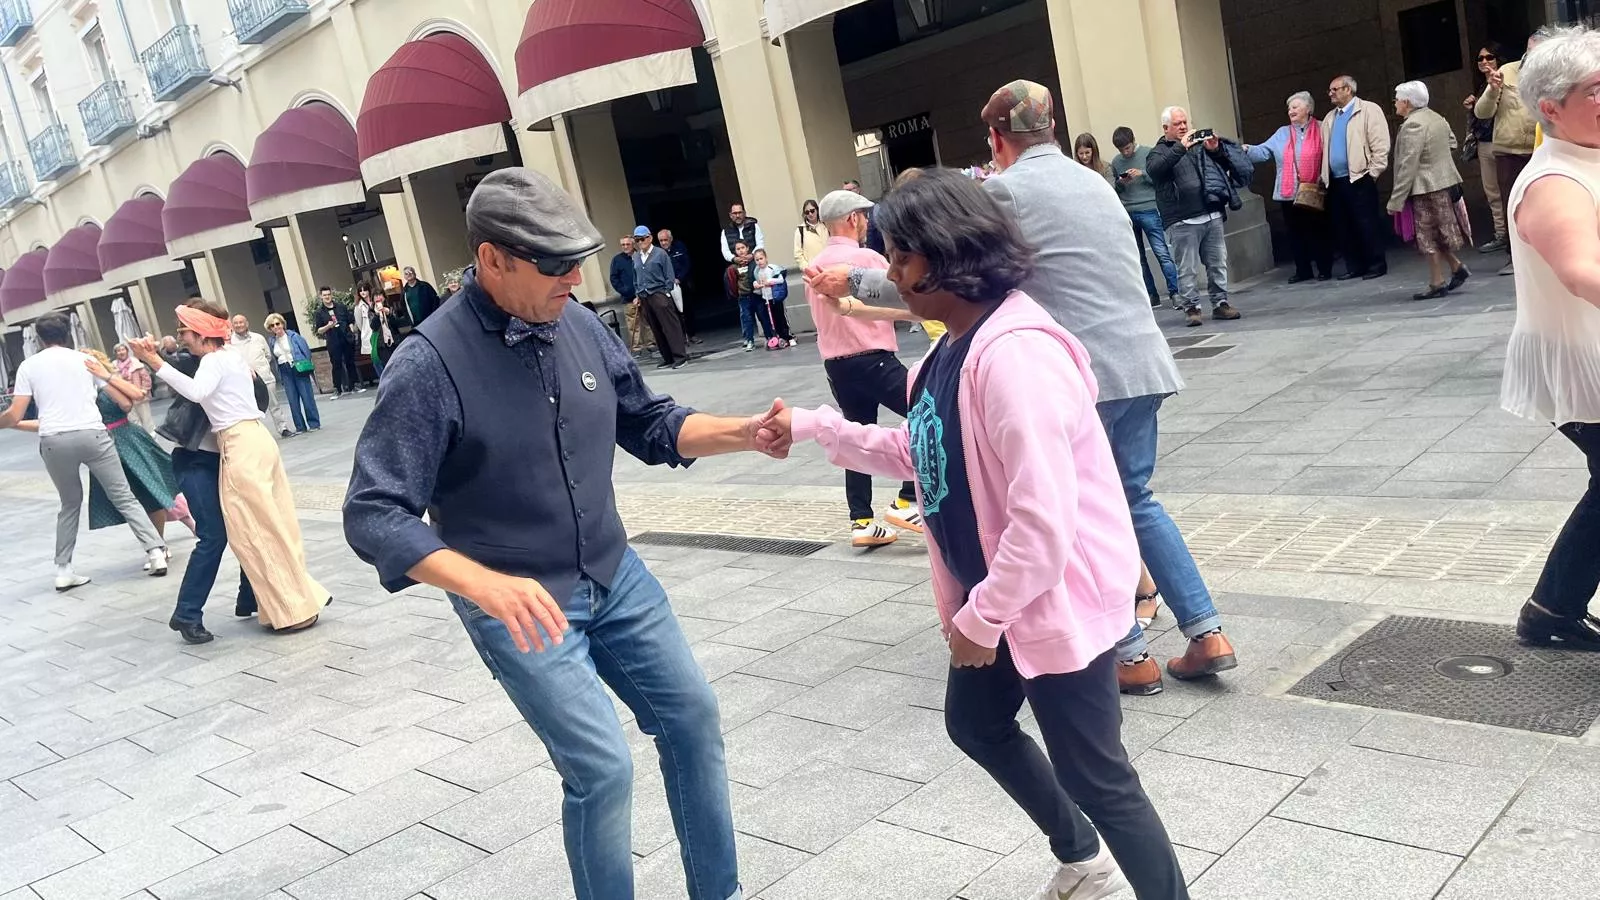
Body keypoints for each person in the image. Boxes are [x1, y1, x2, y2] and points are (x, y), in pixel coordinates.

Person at [342, 167, 785, 900]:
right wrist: (479, 584)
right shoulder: (427, 364)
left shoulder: (579, 323)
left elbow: (650, 422)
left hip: (613, 572)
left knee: (693, 719)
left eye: (576, 258)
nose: (575, 278)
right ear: (492, 261)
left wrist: (745, 432)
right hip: (518, 596)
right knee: (602, 769)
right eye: (553, 264)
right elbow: (373, 509)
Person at [760, 170, 1187, 900]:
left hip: (1048, 602)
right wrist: (813, 427)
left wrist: (984, 620)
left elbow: (1044, 520)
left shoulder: (1016, 356)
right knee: (977, 724)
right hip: (998, 604)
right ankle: (1082, 857)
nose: (890, 273)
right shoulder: (951, 349)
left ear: (945, 256)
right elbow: (919, 454)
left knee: (1098, 775)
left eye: (899, 257)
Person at [807, 80, 1236, 696]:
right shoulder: (1095, 181)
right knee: (1134, 498)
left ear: (996, 139)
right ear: (1052, 128)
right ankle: (1206, 630)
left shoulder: (1006, 189)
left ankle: (1130, 653)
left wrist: (855, 281)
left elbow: (947, 263)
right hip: (1142, 362)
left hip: (1073, 373)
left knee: (1078, 507)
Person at [130, 301, 327, 633]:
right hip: (253, 440)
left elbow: (196, 391)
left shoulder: (213, 361)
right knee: (264, 524)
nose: (180, 337)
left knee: (253, 528)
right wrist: (155, 359)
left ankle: (290, 605)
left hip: (238, 445)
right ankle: (264, 600)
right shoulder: (233, 356)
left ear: (203, 331)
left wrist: (153, 360)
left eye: (184, 331)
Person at [1498, 26, 1600, 651]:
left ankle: (1553, 610)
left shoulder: (1586, 157)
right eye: (1598, 90)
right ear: (1551, 108)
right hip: (1583, 359)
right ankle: (1551, 612)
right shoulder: (1554, 180)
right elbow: (1583, 270)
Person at [0, 313, 169, 589]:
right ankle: (156, 551)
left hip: (54, 438)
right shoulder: (84, 360)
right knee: (124, 497)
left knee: (69, 503)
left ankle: (64, 569)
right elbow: (124, 395)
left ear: (40, 337)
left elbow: (15, 413)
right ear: (67, 333)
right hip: (94, 433)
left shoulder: (28, 366)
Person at [807, 189, 923, 547]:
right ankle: (906, 499)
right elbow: (897, 295)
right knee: (926, 412)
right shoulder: (866, 258)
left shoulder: (815, 266)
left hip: (836, 363)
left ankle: (861, 520)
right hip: (872, 356)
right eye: (863, 215)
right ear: (853, 219)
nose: (866, 222)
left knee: (857, 434)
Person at [159, 338, 258, 645]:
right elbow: (181, 367)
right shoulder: (200, 372)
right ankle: (187, 613)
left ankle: (250, 597)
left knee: (247, 525)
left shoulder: (230, 364)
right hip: (195, 463)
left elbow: (261, 399)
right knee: (214, 535)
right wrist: (157, 356)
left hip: (230, 459)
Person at [1148, 105, 1252, 326]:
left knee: (1217, 263)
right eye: (1178, 124)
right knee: (1187, 268)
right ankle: (1192, 308)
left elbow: (1225, 166)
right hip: (1181, 219)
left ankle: (1220, 303)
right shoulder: (1158, 152)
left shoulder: (1200, 146)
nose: (1184, 126)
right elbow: (1155, 170)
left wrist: (1215, 150)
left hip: (1210, 213)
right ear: (1166, 128)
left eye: (1185, 122)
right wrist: (1180, 147)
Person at [1388, 81, 1471, 301]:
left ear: (1406, 102)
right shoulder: (1436, 117)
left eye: (1397, 99)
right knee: (1436, 234)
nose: (1395, 103)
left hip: (1425, 187)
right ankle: (1456, 267)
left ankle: (1437, 282)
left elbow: (1408, 165)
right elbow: (1452, 143)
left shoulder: (1412, 125)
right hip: (1442, 182)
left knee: (1427, 237)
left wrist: (1395, 200)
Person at [1246, 91, 1335, 283]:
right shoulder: (1282, 133)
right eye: (1289, 108)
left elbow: (1331, 155)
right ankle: (1303, 270)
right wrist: (1246, 149)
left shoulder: (1322, 128)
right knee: (1295, 233)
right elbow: (1263, 152)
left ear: (1308, 109)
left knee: (1319, 231)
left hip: (1315, 190)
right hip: (1289, 193)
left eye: (1295, 107)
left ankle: (1324, 268)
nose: (1291, 111)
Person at [1323, 75, 1392, 281]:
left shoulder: (1368, 110)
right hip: (1336, 180)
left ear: (1348, 89)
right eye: (1330, 90)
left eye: (1335, 89)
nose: (1331, 94)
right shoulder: (1329, 117)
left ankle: (1376, 264)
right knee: (1343, 225)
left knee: (1367, 223)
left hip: (1360, 177)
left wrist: (1373, 173)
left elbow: (1380, 143)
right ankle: (1355, 265)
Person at [1110, 127, 1181, 307]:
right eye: (1121, 150)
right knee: (1138, 257)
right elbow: (1116, 190)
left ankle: (1175, 293)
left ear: (1133, 141)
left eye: (1127, 148)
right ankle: (1151, 295)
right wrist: (1121, 182)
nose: (1125, 153)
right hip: (1128, 212)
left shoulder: (1149, 153)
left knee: (1161, 252)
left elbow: (1160, 179)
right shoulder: (1117, 162)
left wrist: (1143, 173)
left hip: (1149, 208)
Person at [1465, 43, 1512, 253]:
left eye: (1489, 57)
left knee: (1508, 189)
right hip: (1485, 142)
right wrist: (1471, 108)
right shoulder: (1483, 86)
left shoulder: (1507, 81)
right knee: (1492, 191)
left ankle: (1513, 235)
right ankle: (1501, 233)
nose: (1484, 62)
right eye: (1480, 59)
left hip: (1504, 140)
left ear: (1498, 59)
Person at [633, 226, 689, 369]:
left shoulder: (660, 254)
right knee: (656, 328)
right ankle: (668, 357)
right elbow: (636, 277)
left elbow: (669, 274)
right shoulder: (636, 256)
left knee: (670, 326)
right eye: (637, 240)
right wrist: (638, 293)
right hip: (645, 296)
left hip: (659, 293)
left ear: (650, 238)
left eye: (642, 239)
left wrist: (666, 291)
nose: (640, 242)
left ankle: (680, 357)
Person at [230, 314, 295, 438]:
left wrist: (261, 367)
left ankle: (283, 429)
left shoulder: (258, 338)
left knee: (274, 405)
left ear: (246, 323)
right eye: (236, 323)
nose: (239, 325)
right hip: (244, 382)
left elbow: (268, 356)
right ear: (233, 325)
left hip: (265, 377)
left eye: (241, 322)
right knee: (251, 409)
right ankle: (257, 435)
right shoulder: (231, 342)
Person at [264, 314, 320, 434]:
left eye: (277, 324)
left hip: (298, 367)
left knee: (307, 397)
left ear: (282, 324)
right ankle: (300, 426)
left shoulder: (294, 336)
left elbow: (306, 352)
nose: (276, 327)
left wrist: (306, 366)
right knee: (292, 400)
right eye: (272, 325)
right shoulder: (272, 341)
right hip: (284, 370)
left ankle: (314, 423)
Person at [726, 240, 776, 352]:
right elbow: (733, 282)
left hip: (756, 295)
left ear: (748, 248)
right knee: (747, 319)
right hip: (744, 297)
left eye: (743, 247)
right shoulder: (734, 267)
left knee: (763, 316)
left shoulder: (754, 262)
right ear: (735, 252)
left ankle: (770, 337)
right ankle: (749, 340)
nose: (741, 251)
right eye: (738, 249)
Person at [312, 287, 362, 398]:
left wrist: (351, 331)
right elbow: (319, 330)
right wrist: (328, 326)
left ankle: (354, 385)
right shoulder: (319, 313)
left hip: (346, 338)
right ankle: (337, 389)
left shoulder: (341, 307)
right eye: (325, 295)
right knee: (336, 364)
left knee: (350, 362)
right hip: (333, 340)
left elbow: (350, 320)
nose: (327, 297)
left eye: (329, 294)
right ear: (321, 297)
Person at [752, 248, 796, 348]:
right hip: (766, 298)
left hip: (775, 297)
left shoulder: (772, 269)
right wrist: (756, 284)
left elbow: (780, 280)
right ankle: (778, 336)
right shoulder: (757, 271)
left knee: (781, 317)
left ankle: (788, 337)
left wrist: (770, 281)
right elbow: (756, 281)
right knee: (773, 319)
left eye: (761, 258)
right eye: (757, 260)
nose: (759, 261)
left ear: (766, 258)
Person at [658, 228, 693, 340]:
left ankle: (691, 334)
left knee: (687, 310)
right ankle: (680, 336)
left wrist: (679, 278)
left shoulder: (679, 247)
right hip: (667, 287)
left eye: (665, 240)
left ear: (671, 239)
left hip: (682, 283)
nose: (664, 243)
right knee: (672, 313)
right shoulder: (657, 252)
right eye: (661, 241)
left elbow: (686, 264)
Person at [112, 343, 155, 430]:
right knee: (134, 422)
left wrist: (144, 390)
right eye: (118, 351)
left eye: (123, 349)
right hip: (126, 399)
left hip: (140, 397)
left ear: (127, 351)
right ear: (115, 353)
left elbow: (146, 378)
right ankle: (141, 440)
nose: (121, 352)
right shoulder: (113, 367)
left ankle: (152, 439)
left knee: (147, 421)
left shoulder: (135, 363)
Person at [369, 295, 404, 373]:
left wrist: (389, 314)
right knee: (388, 368)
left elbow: (396, 324)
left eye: (380, 295)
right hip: (381, 344)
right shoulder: (371, 311)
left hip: (394, 341)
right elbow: (373, 327)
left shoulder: (390, 308)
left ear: (384, 297)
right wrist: (377, 315)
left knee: (398, 365)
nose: (378, 298)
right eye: (376, 296)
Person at [352, 283, 379, 383]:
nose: (363, 292)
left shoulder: (374, 301)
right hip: (368, 332)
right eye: (361, 291)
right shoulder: (358, 307)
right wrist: (364, 331)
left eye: (365, 290)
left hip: (379, 329)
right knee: (374, 356)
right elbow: (359, 324)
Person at [793, 198, 826, 269]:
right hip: (813, 271)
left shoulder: (826, 225)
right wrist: (806, 268)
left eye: (812, 211)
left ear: (817, 210)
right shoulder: (800, 230)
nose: (810, 214)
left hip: (830, 267)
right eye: (807, 212)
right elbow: (798, 254)